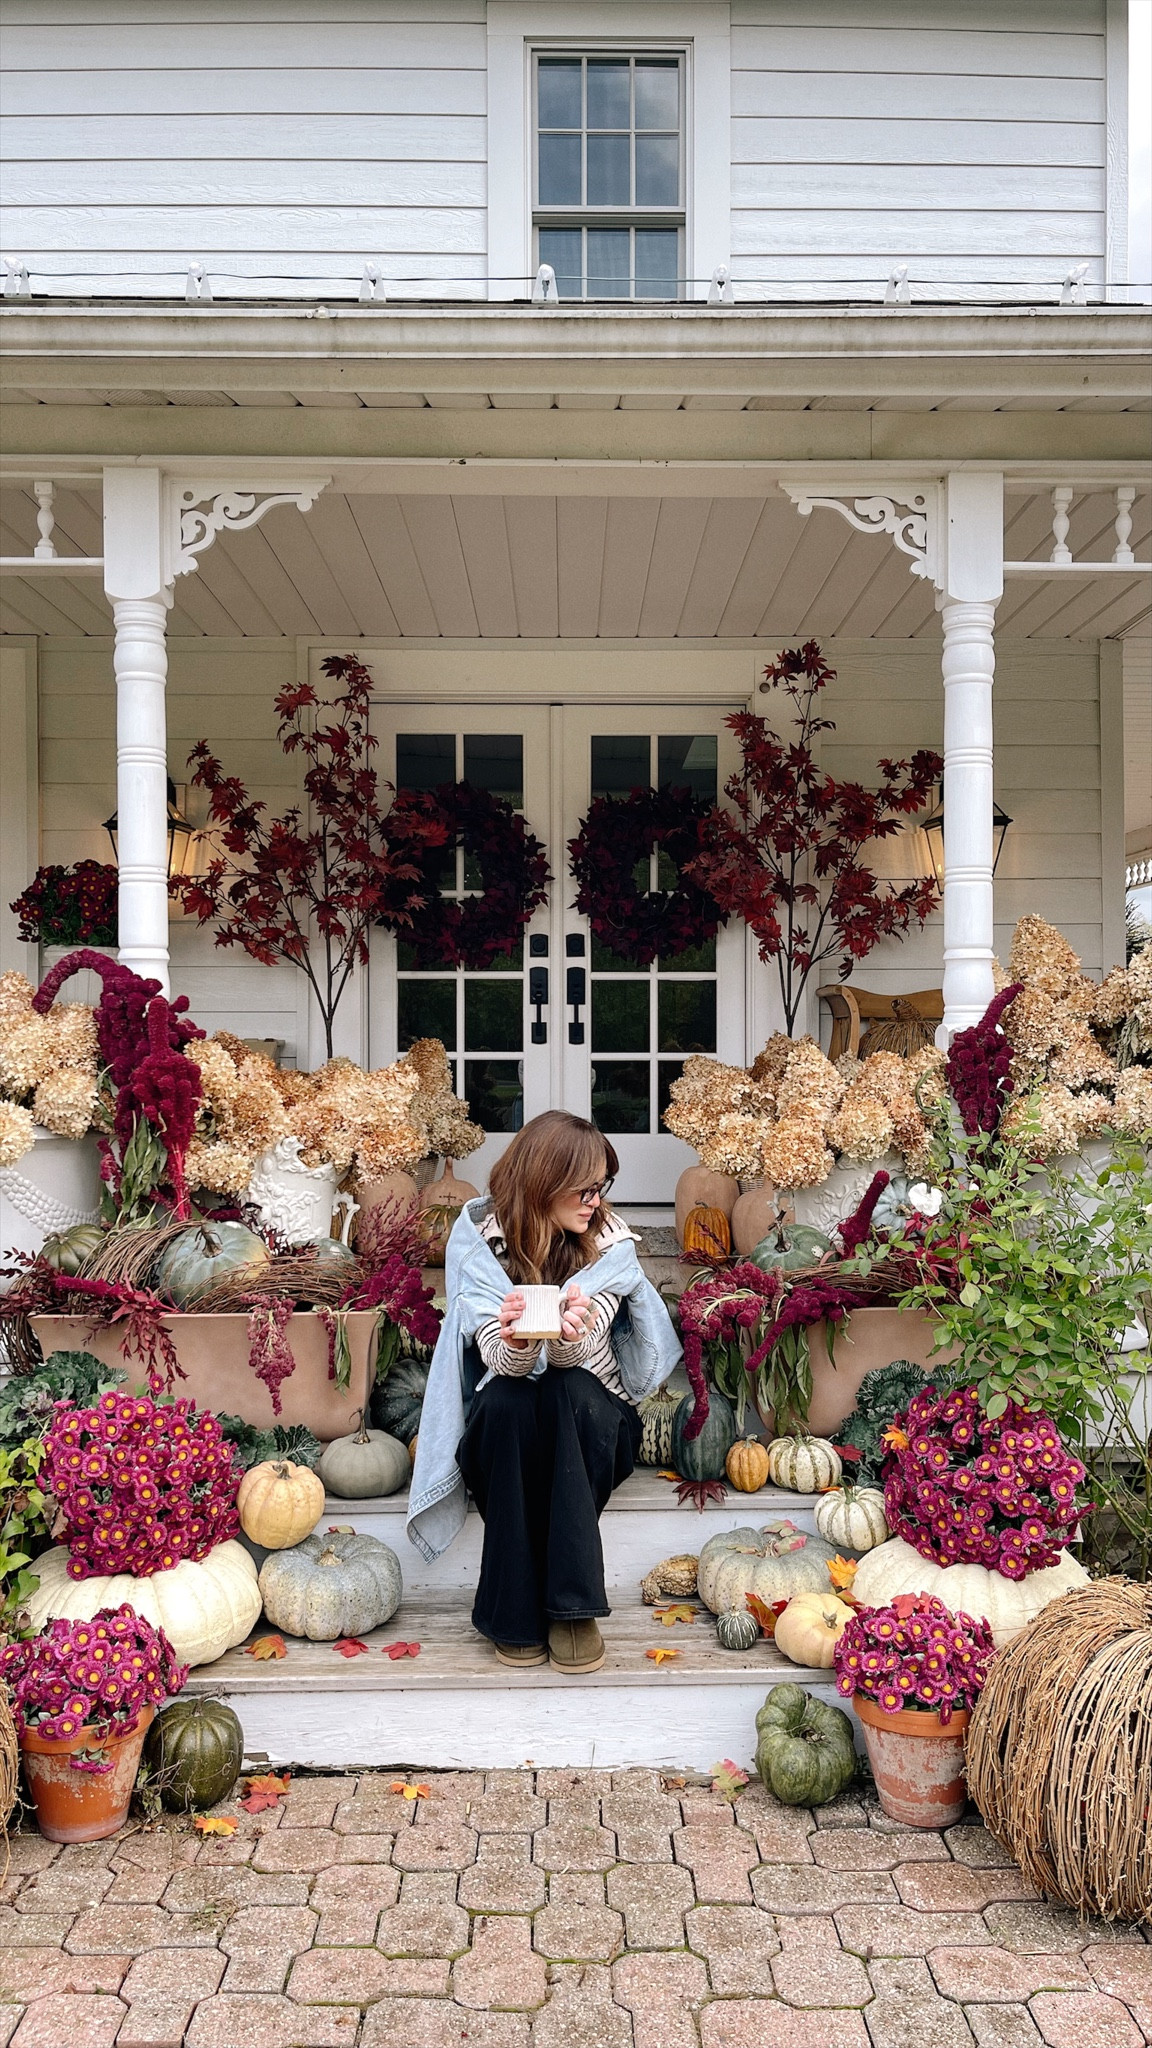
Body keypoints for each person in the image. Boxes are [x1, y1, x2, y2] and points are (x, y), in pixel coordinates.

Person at [407, 1110, 682, 1674]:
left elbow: (580, 1356)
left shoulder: (610, 1243)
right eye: (585, 1188)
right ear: (544, 1182)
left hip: (590, 1424)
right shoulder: (481, 1245)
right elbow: (495, 1357)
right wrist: (516, 1341)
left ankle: (573, 1609)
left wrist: (563, 1339)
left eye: (603, 1186)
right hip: (513, 1432)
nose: (595, 1202)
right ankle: (513, 1612)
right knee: (504, 1400)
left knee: (565, 1386)